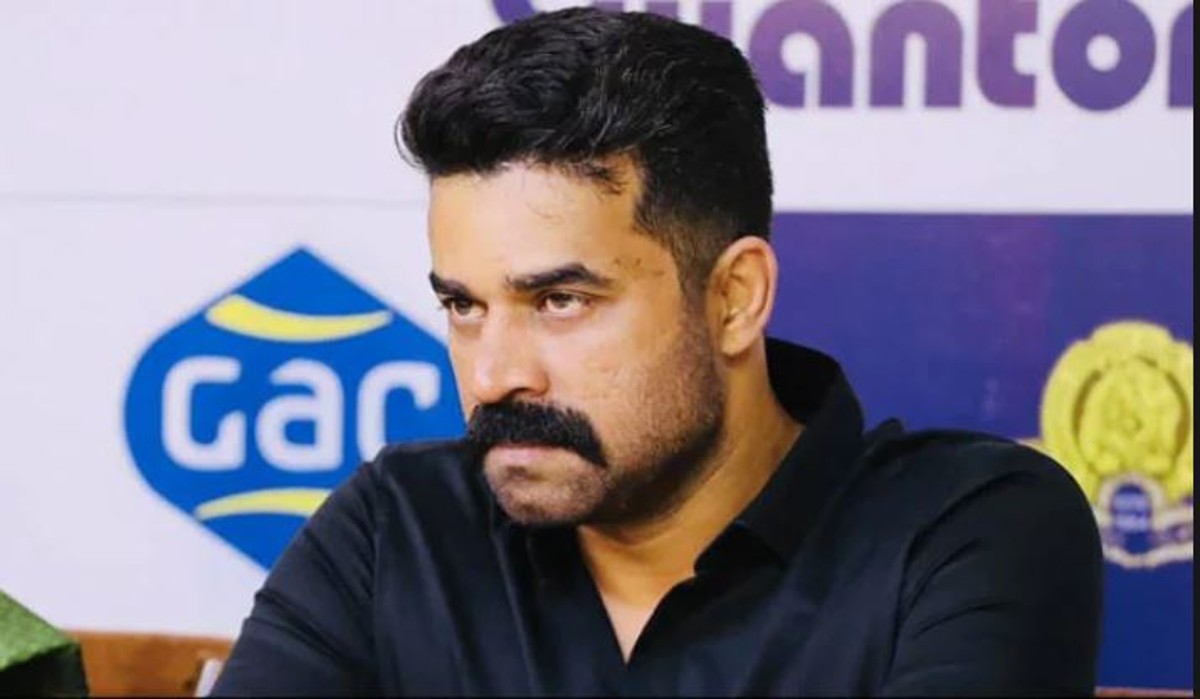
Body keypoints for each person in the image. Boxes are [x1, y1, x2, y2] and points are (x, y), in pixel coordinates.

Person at [212, 7, 1102, 696]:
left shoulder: (964, 531)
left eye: (560, 301)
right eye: (464, 306)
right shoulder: (397, 529)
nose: (493, 374)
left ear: (734, 296)